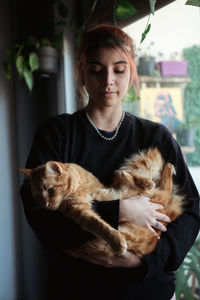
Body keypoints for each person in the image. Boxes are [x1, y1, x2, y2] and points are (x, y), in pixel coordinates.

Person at [20, 24, 200, 300]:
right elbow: (42, 218)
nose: (108, 80)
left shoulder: (156, 136)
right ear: (81, 71)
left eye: (119, 69)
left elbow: (191, 212)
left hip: (149, 290)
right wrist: (120, 210)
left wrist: (145, 262)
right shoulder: (57, 134)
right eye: (96, 69)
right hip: (77, 289)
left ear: (132, 74)